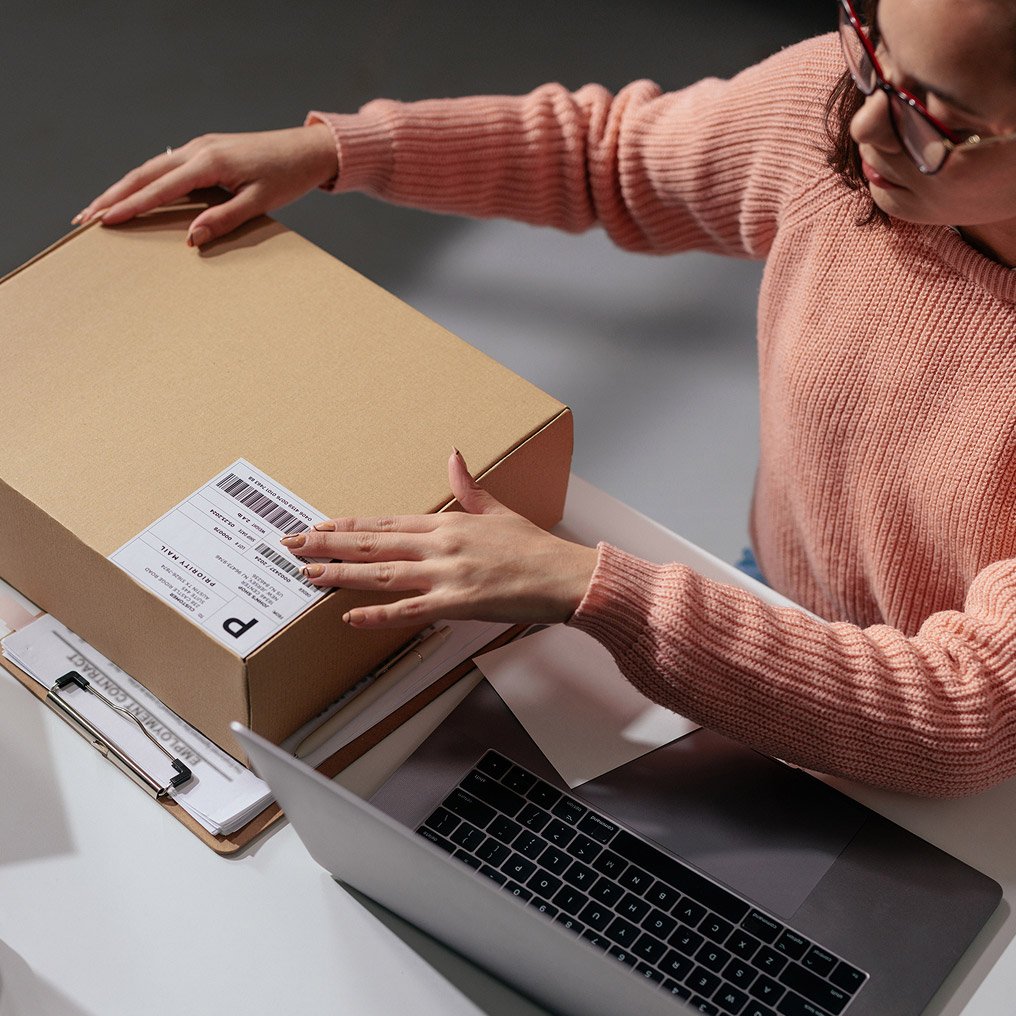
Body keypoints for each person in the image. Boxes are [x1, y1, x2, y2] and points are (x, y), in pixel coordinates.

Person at [75, 0, 1016, 798]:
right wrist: (335, 150)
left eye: (936, 118)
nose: (861, 126)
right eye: (870, 39)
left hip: (935, 744)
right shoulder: (834, 111)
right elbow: (604, 153)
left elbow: (962, 712)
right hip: (766, 592)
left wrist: (588, 586)